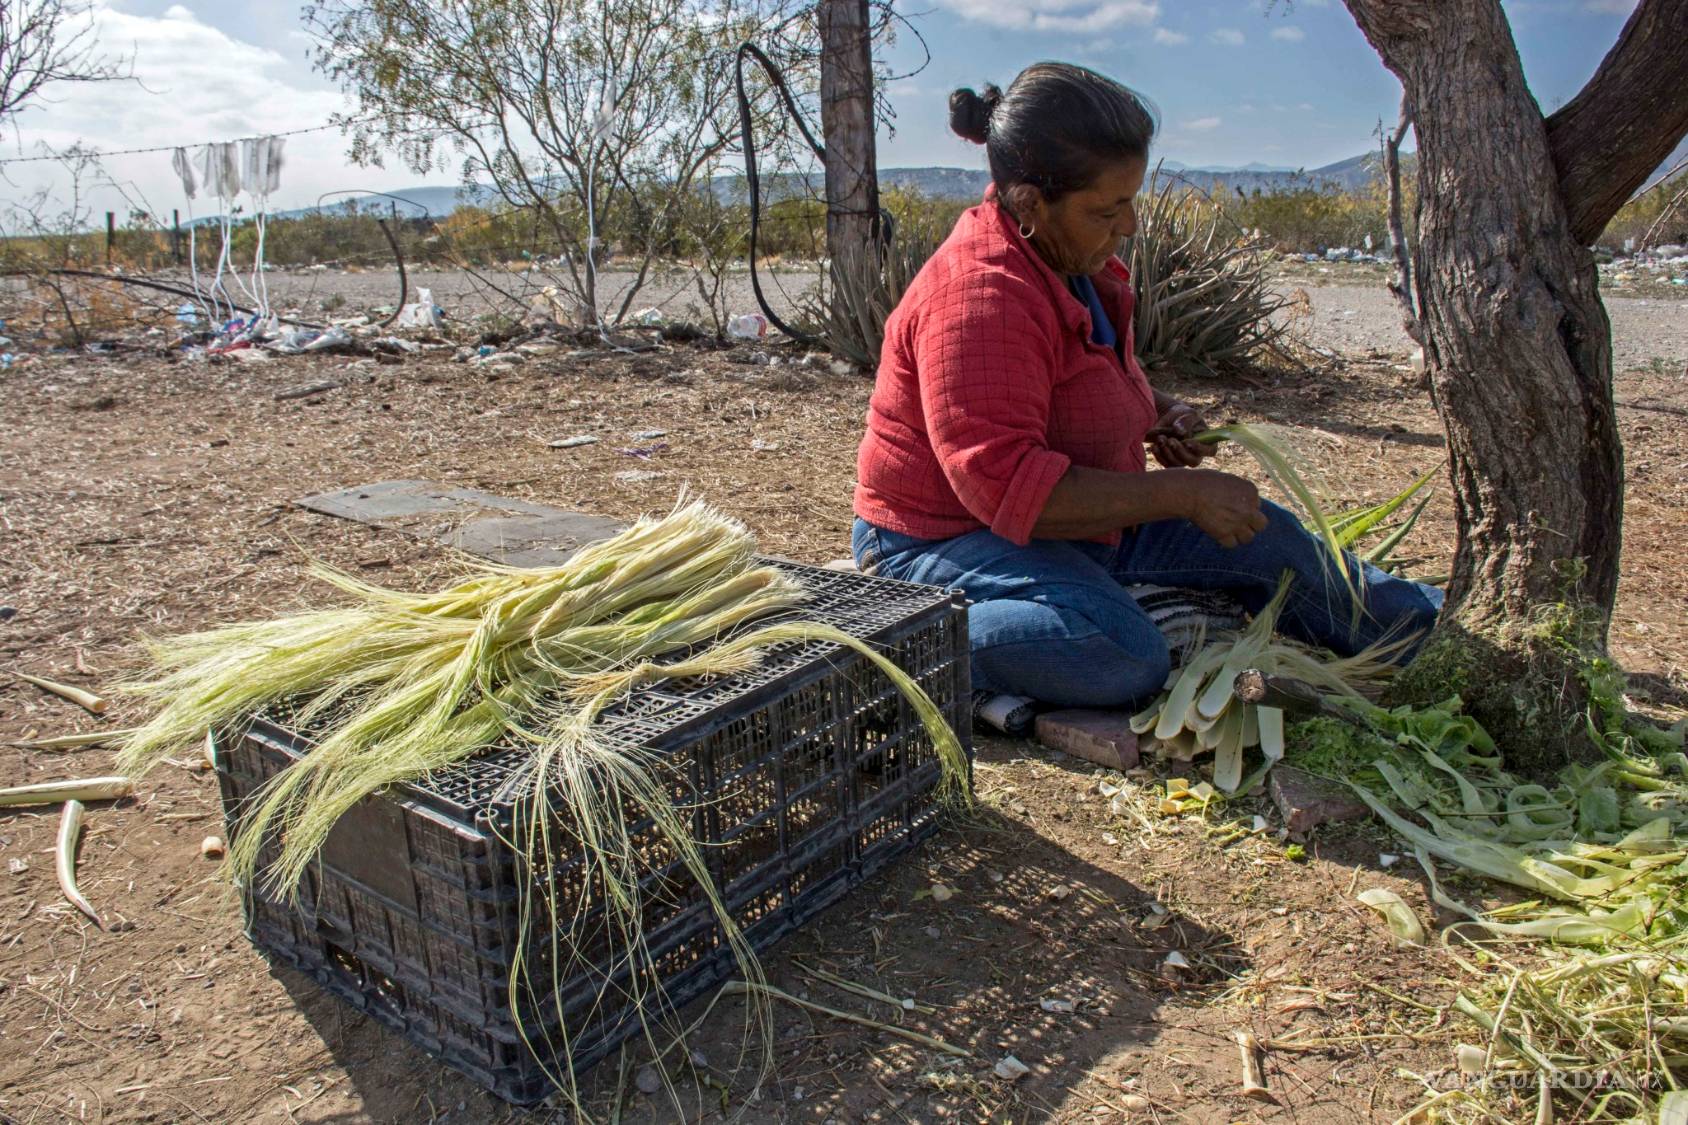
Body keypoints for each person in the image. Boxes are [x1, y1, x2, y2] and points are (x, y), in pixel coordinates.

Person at [851, 61, 1442, 712]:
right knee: (1117, 648)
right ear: (1028, 204)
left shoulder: (1066, 254)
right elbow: (1003, 484)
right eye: (1108, 208)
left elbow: (1080, 367)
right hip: (943, 536)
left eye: (1130, 200)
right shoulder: (980, 298)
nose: (1128, 225)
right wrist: (1179, 493)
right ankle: (880, 653)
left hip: (1064, 521)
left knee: (1268, 539)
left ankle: (1441, 634)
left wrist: (1155, 412)